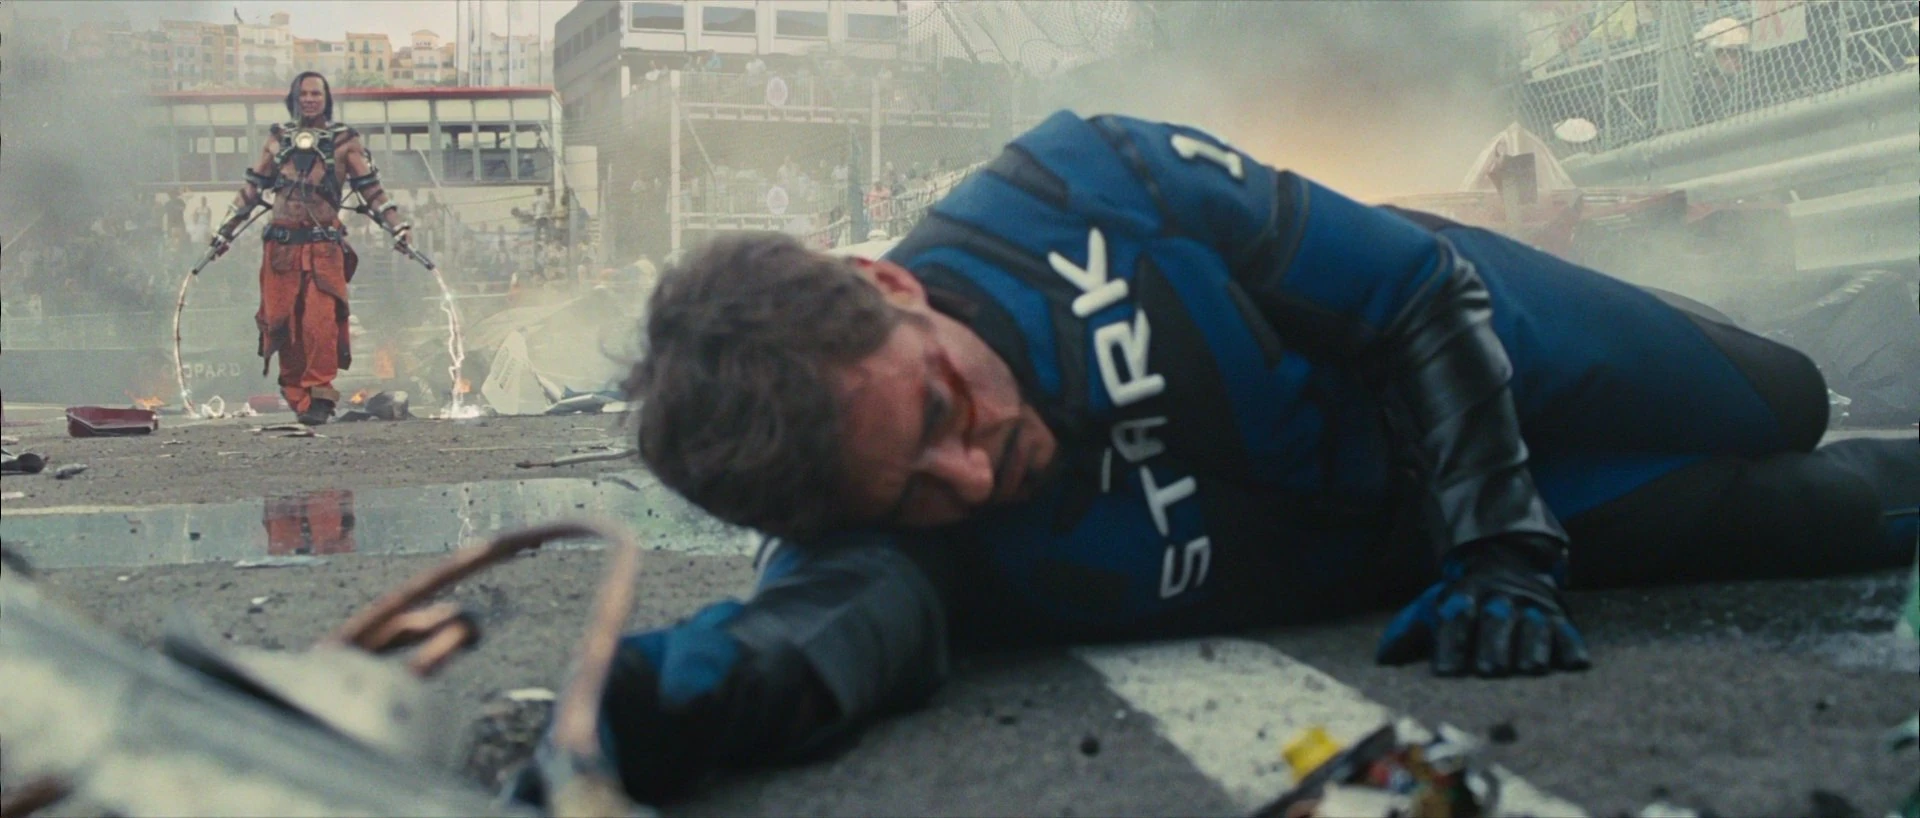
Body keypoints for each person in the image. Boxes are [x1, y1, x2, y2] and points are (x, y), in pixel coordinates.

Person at [514, 111, 1920, 806]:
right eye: (909, 492)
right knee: (1831, 509)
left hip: (1473, 339)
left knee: (1785, 396)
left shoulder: (1075, 178)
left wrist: (1501, 539)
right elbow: (812, 630)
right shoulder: (867, 514)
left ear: (889, 285)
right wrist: (634, 710)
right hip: (1406, 543)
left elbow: (1411, 291)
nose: (971, 480)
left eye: (943, 410)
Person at [209, 71, 413, 425]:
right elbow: (252, 189)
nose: (309, 99)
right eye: (303, 93)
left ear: (326, 98)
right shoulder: (277, 139)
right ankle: (297, 395)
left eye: (316, 93)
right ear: (294, 98)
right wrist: (223, 232)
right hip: (281, 248)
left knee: (320, 324)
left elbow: (370, 189)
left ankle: (320, 395)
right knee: (281, 324)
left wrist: (398, 226)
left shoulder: (345, 141)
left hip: (322, 248)